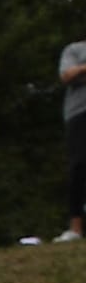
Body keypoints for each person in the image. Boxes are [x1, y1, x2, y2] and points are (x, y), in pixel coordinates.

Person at [63, 37, 86, 241]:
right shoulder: (75, 49)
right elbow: (67, 75)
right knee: (79, 165)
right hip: (79, 113)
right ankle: (75, 228)